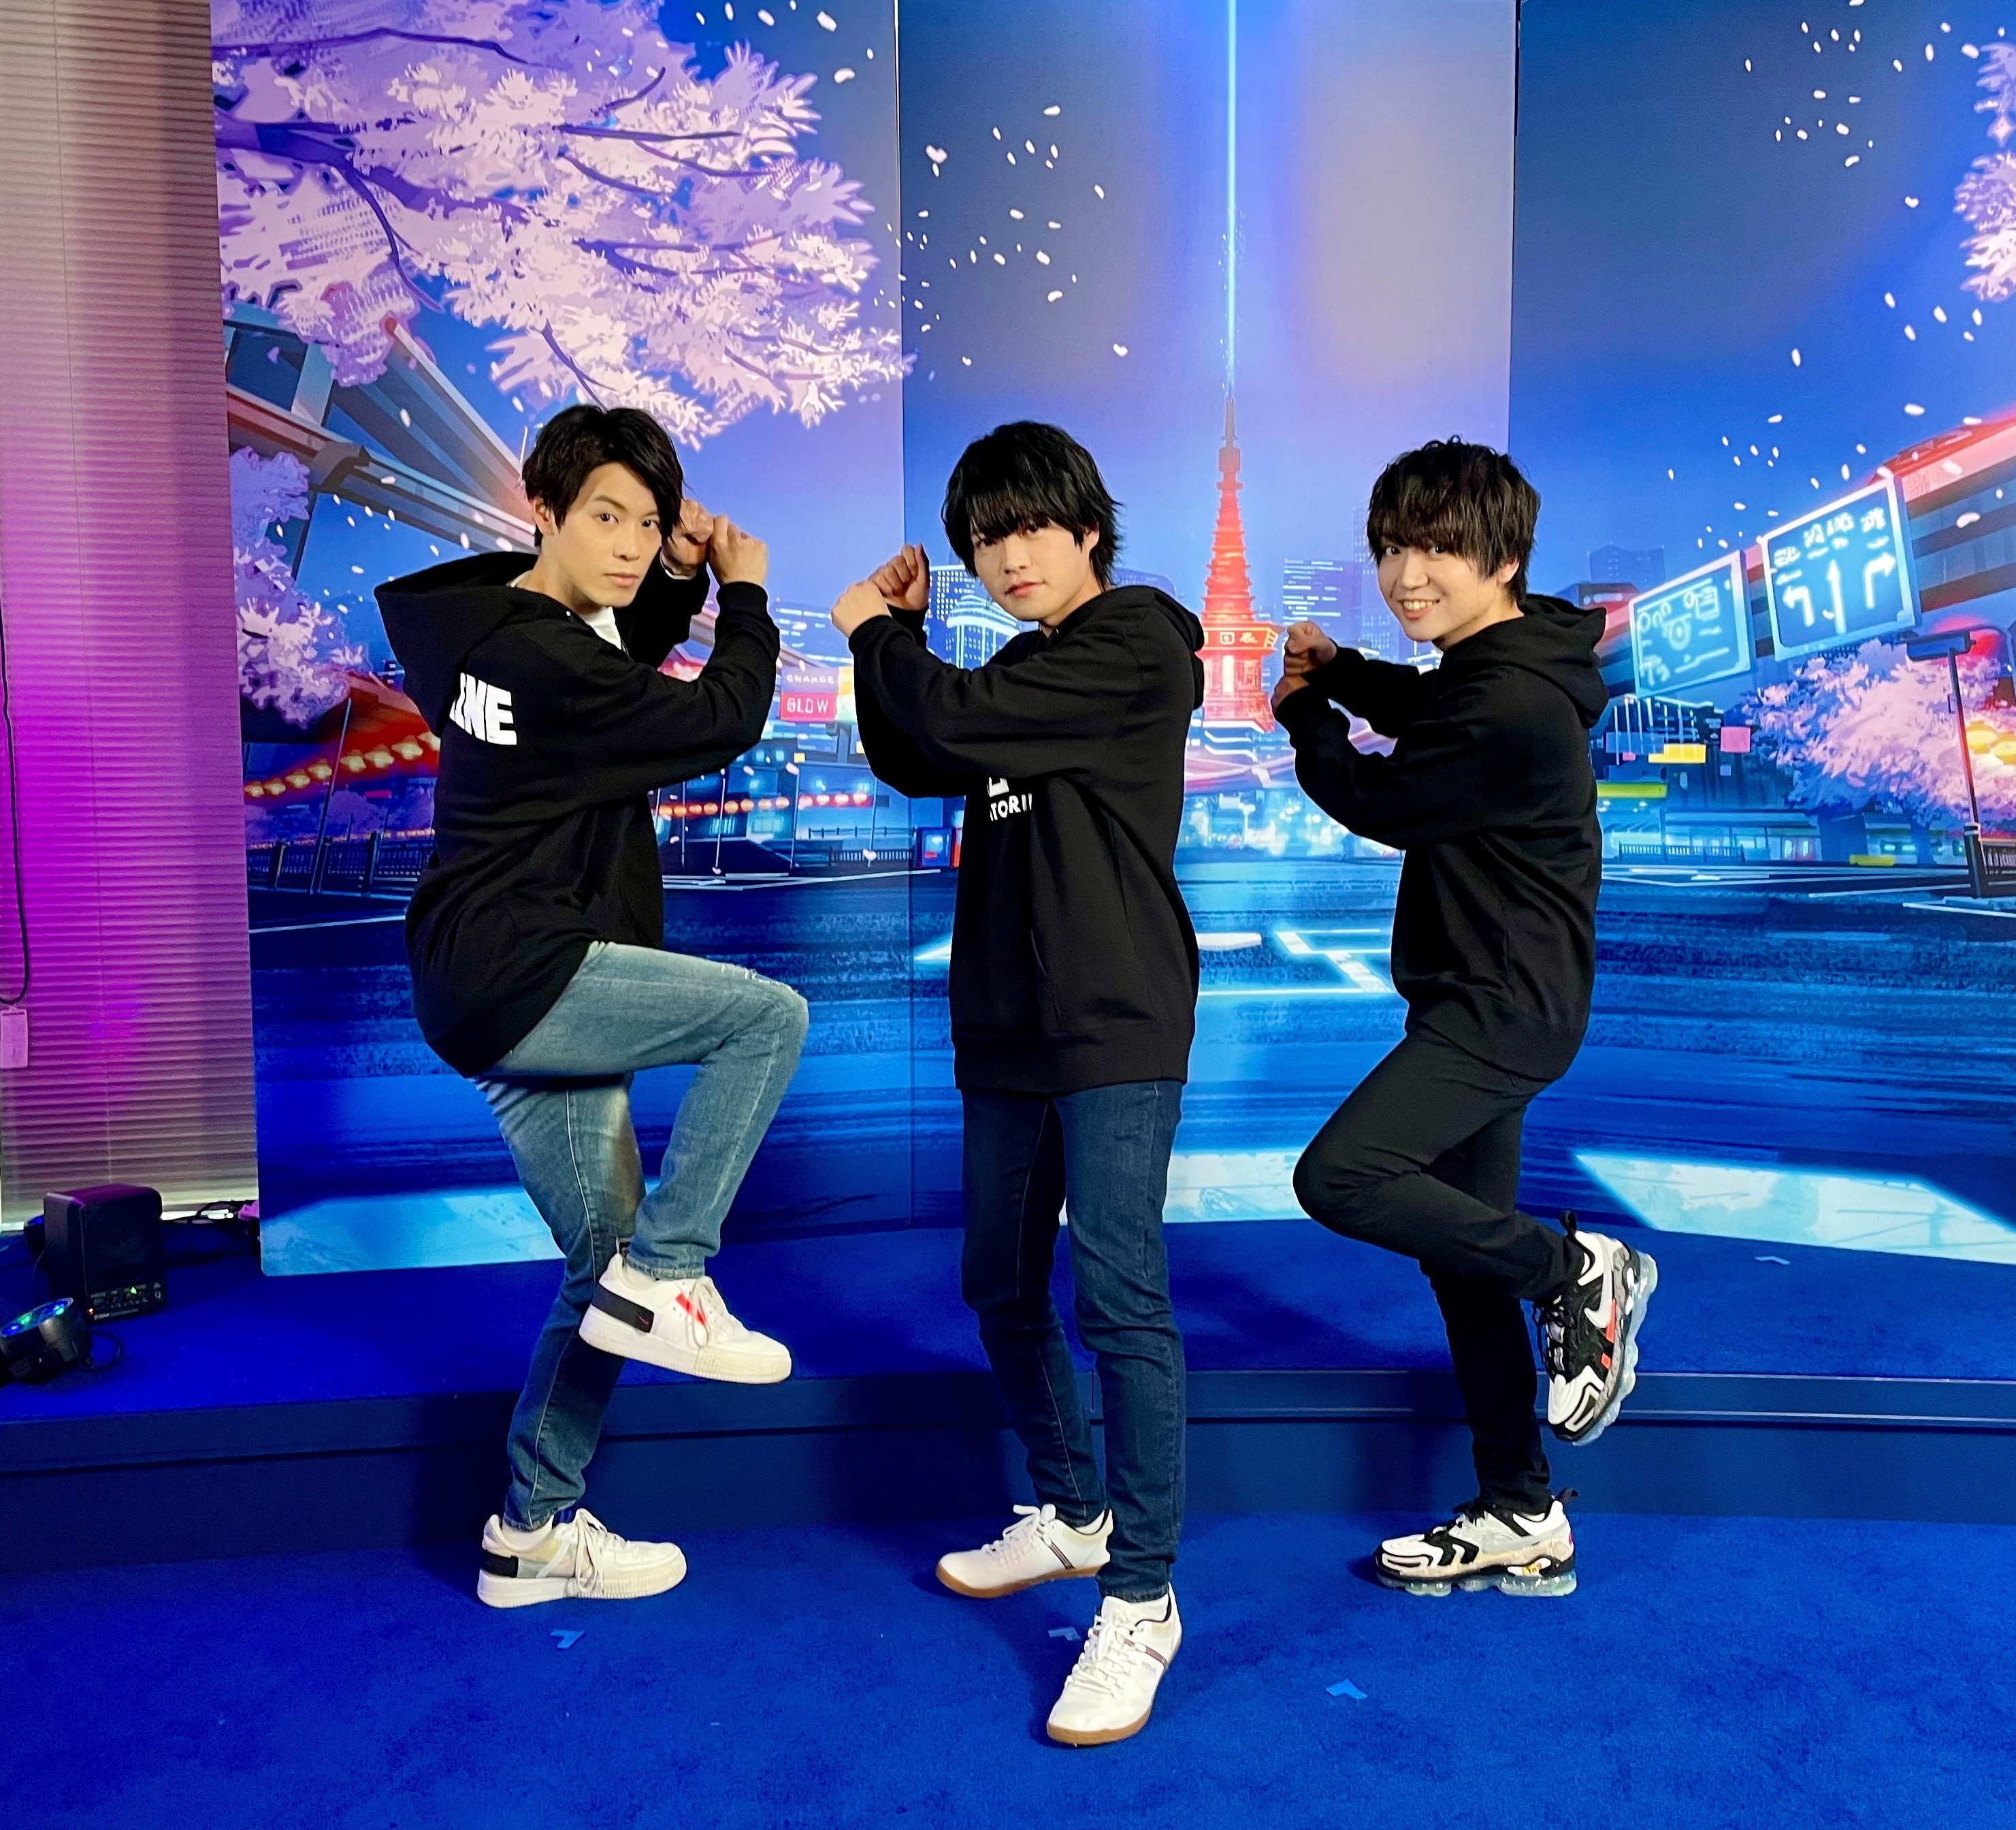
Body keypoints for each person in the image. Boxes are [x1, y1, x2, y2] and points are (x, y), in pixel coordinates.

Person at [380, 404, 808, 1610]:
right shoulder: (547, 659)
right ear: (545, 512)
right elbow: (716, 719)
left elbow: (609, 675)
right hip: (526, 969)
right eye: (607, 518)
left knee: (598, 1273)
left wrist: (673, 583)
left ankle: (530, 1533)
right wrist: (744, 592)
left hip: (475, 976)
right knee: (766, 1019)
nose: (630, 545)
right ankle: (676, 1274)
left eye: (650, 525)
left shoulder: (489, 627)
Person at [829, 422, 1202, 1747]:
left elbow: (954, 716)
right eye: (986, 539)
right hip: (1003, 1024)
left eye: (1030, 527)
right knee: (998, 1281)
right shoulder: (1018, 673)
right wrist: (888, 644)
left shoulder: (1135, 640)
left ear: (1087, 527)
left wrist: (875, 634)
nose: (1008, 557)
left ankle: (1142, 1598)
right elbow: (915, 751)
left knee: (1119, 1293)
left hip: (1114, 1018)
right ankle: (1071, 1510)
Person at [1271, 437, 1657, 1599]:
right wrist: (1344, 668)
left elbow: (1383, 797)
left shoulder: (1512, 703)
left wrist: (1306, 711)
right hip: (1489, 995)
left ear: (1504, 558)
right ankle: (1521, 1510)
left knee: (1342, 1178)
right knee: (1458, 1258)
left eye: (1438, 549)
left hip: (1500, 1009)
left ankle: (1576, 1268)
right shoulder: (1506, 665)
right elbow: (1430, 701)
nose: (1407, 575)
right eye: (1393, 549)